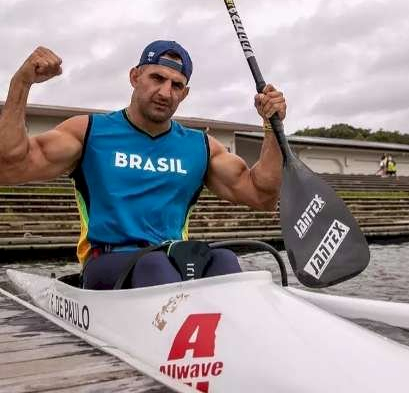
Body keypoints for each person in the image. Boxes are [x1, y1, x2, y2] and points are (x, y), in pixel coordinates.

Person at [0, 42, 286, 289]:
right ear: (135, 77)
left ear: (184, 94)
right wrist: (21, 83)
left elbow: (261, 195)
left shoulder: (200, 146)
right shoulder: (88, 132)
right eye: (156, 78)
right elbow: (9, 167)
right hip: (107, 263)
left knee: (223, 261)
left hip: (171, 259)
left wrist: (272, 127)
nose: (165, 92)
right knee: (154, 266)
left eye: (176, 85)